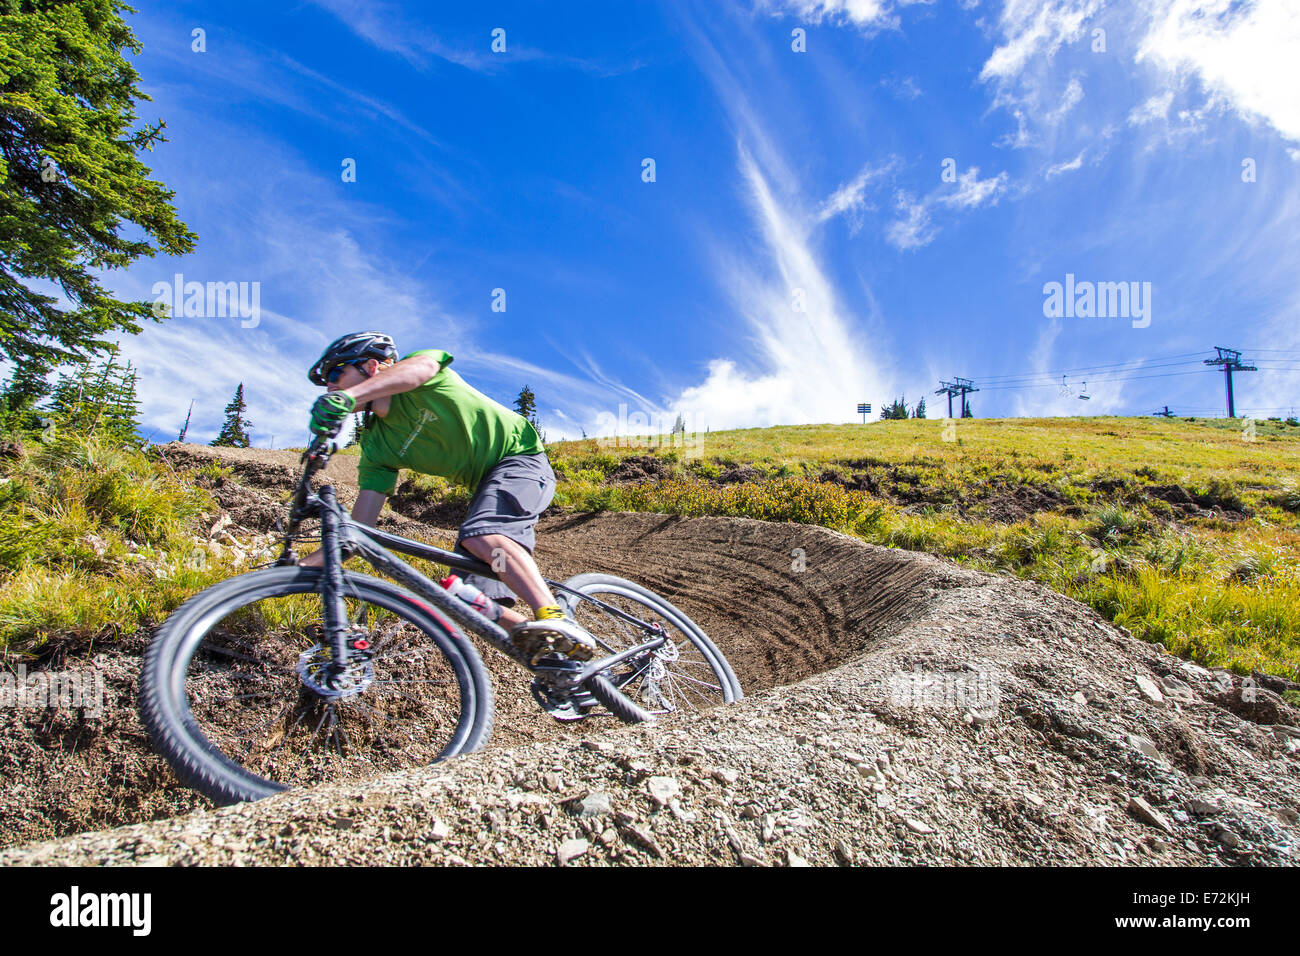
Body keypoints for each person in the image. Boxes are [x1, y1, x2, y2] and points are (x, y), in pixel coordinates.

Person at [299, 331, 596, 662]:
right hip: (485, 485)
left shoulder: (421, 374)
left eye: (335, 374)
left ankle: (555, 617)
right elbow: (359, 531)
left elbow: (418, 369)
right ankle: (563, 664)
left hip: (521, 459)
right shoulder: (376, 446)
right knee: (462, 598)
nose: (330, 387)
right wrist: (299, 569)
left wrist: (348, 398)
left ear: (371, 366)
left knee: (483, 534)